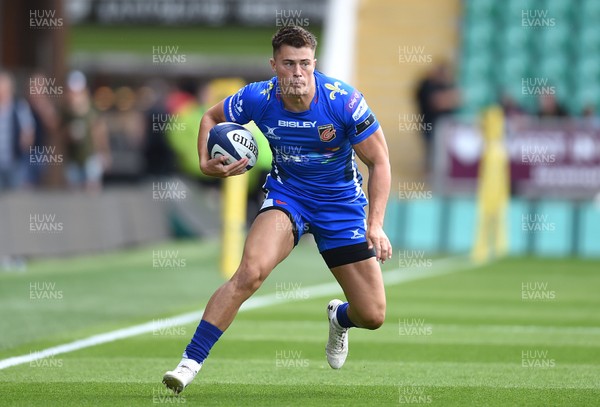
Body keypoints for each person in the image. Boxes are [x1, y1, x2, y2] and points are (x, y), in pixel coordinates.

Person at [162, 26, 392, 394]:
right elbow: (209, 117)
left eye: (304, 64)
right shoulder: (258, 97)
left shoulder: (344, 102)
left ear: (314, 64)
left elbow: (379, 162)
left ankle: (339, 317)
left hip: (341, 205)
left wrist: (375, 225)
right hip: (290, 196)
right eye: (289, 64)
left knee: (373, 315)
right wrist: (205, 162)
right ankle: (189, 363)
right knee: (249, 273)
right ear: (274, 65)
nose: (297, 73)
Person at [415, 62, 460, 173]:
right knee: (434, 153)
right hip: (431, 125)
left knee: (441, 154)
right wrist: (450, 98)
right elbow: (437, 102)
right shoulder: (427, 85)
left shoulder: (443, 85)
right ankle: (432, 175)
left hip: (442, 126)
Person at [0, 70, 34, 192]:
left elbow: (28, 130)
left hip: (14, 162)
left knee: (15, 198)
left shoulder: (19, 106)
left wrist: (25, 140)